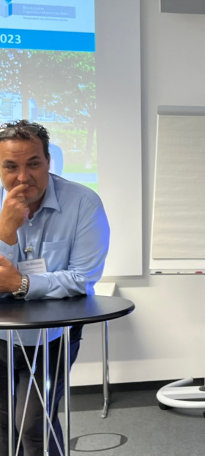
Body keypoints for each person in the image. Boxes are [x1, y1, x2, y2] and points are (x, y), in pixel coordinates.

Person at [0, 120, 110, 455]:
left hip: (54, 335)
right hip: (1, 334)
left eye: (33, 164)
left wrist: (22, 284)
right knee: (3, 425)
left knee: (33, 424)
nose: (23, 177)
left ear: (49, 161)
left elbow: (83, 278)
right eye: (11, 166)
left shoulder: (83, 203)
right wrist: (5, 233)